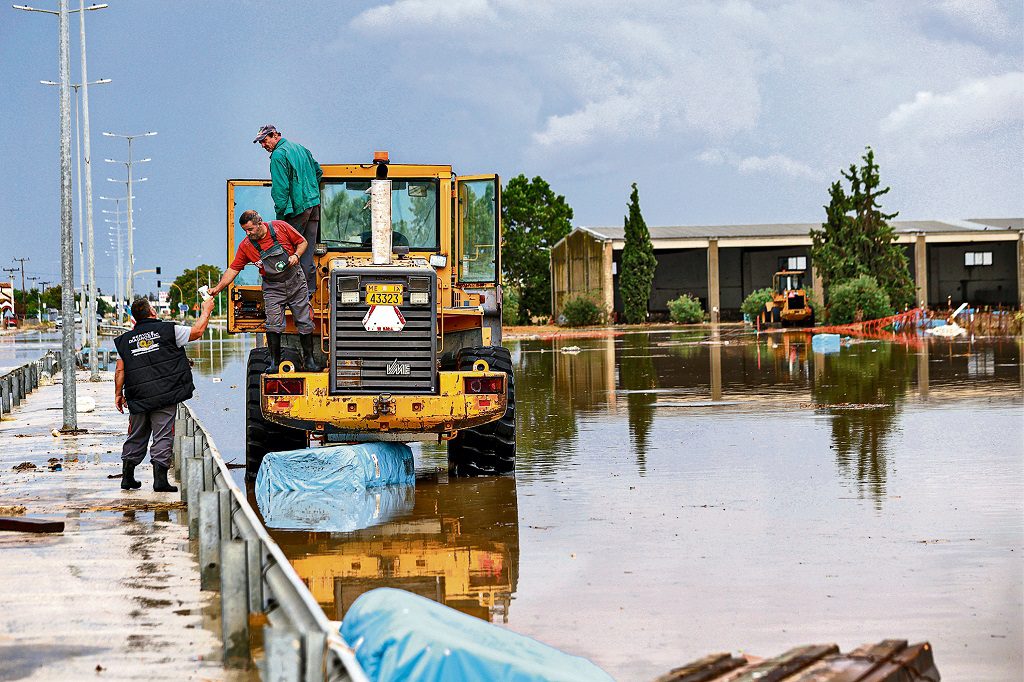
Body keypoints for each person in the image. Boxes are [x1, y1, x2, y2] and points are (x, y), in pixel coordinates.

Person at [113, 296, 215, 492]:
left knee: (136, 434)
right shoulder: (170, 330)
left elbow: (120, 370)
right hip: (164, 393)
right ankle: (160, 481)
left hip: (137, 394)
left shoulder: (125, 341)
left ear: (134, 318)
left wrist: (118, 394)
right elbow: (198, 332)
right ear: (152, 312)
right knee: (163, 434)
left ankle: (127, 477)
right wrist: (206, 310)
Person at [209, 209, 324, 373]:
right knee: (273, 324)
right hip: (272, 287)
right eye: (245, 231)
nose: (247, 234)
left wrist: (296, 256)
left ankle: (310, 362)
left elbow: (303, 242)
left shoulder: (280, 227)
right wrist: (217, 289)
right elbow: (233, 269)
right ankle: (274, 363)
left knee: (304, 321)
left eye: (250, 229)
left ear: (259, 223)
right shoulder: (246, 246)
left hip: (295, 282)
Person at [253, 124, 322, 296]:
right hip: (313, 206)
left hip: (296, 209)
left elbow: (280, 189)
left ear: (275, 135)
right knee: (306, 249)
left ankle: (289, 293)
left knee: (287, 249)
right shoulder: (300, 149)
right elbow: (318, 171)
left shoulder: (278, 155)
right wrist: (310, 191)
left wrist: (280, 218)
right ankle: (309, 292)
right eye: (260, 142)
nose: (263, 145)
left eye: (264, 140)